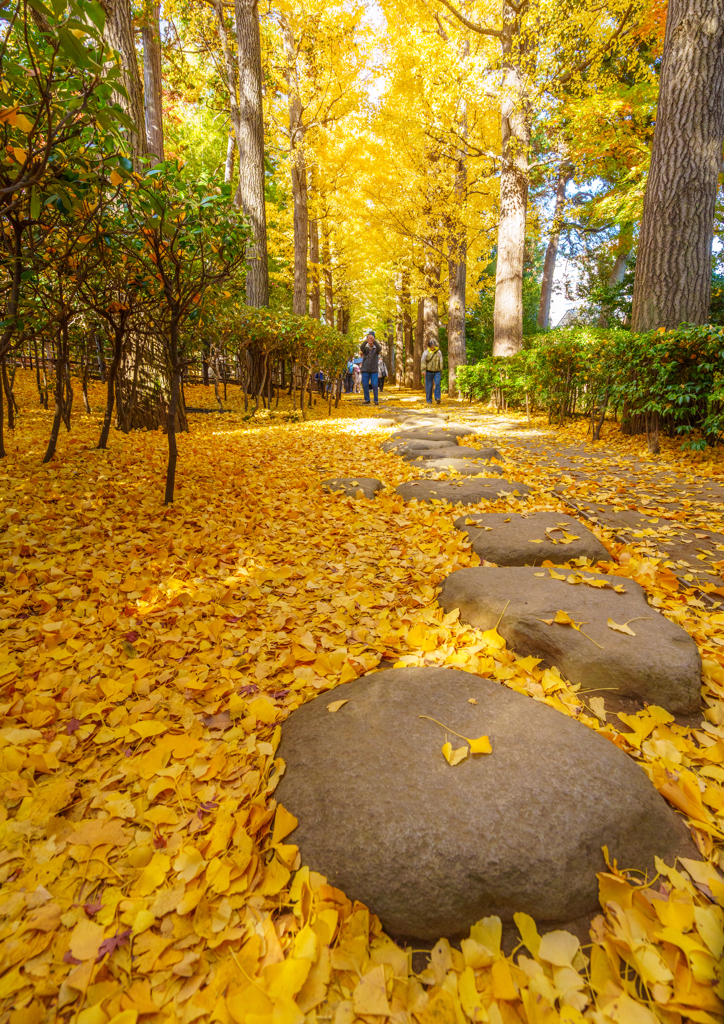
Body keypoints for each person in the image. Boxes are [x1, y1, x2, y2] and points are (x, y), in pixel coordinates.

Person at [360, 331, 381, 405]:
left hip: (374, 370)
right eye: (369, 338)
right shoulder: (365, 349)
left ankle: (376, 400)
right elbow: (361, 347)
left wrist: (374, 341)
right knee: (365, 384)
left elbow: (379, 348)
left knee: (374, 384)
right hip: (365, 370)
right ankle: (367, 399)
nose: (370, 340)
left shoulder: (376, 349)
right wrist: (366, 340)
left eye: (372, 338)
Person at [421, 340, 443, 404]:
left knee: (437, 384)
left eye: (433, 346)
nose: (432, 348)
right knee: (429, 386)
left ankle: (437, 398)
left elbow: (441, 362)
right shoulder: (426, 353)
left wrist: (441, 370)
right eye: (431, 347)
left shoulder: (438, 352)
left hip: (437, 371)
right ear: (429, 346)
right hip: (428, 371)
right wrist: (423, 370)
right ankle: (429, 400)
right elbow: (423, 362)